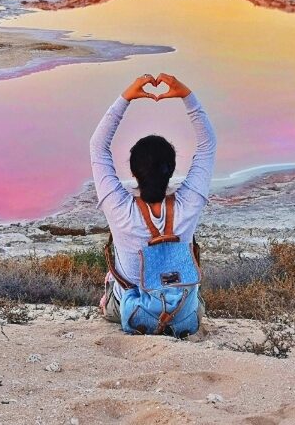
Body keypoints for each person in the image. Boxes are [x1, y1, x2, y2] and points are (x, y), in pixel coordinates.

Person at [90, 73, 216, 334]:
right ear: (171, 171)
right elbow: (207, 145)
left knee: (115, 283)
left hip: (134, 310)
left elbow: (97, 147)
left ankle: (111, 306)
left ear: (133, 173)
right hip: (182, 312)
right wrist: (186, 95)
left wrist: (126, 96)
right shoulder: (189, 204)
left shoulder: (119, 209)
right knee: (189, 290)